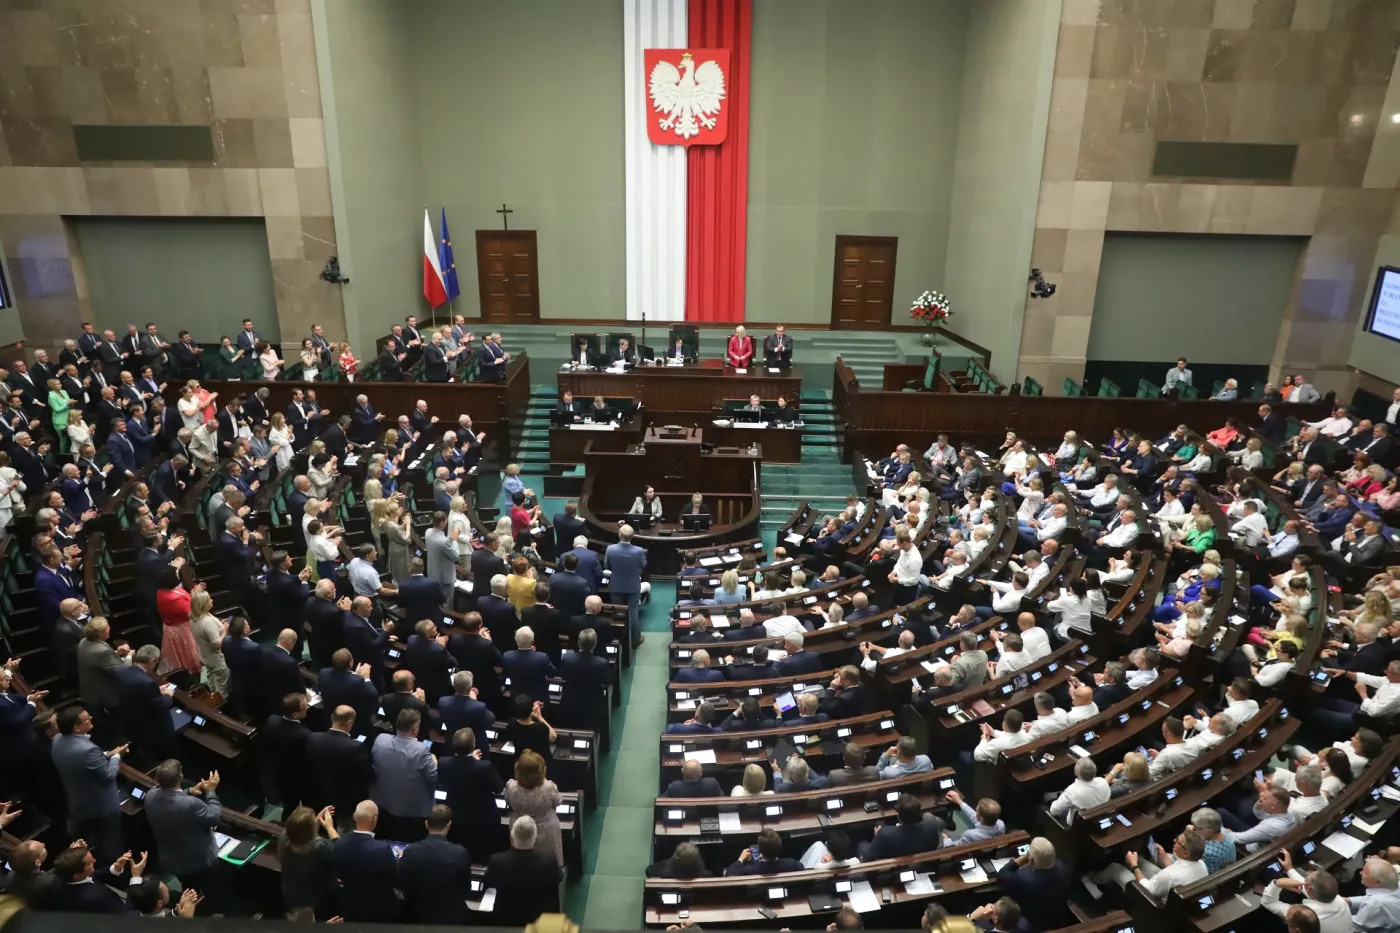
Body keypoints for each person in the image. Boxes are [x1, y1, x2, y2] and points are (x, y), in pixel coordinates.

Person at [143, 758, 223, 906]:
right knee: (212, 889)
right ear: (181, 776)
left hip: (172, 859)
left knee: (189, 889)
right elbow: (215, 817)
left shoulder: (150, 795)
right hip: (200, 861)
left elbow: (171, 799)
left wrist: (189, 791)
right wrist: (211, 791)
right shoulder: (191, 804)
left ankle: (192, 906)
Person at [51, 706, 126, 862]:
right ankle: (115, 867)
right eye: (87, 718)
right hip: (102, 806)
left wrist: (106, 755)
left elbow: (80, 761)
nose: (91, 718)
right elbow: (109, 774)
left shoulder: (57, 740)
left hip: (78, 803)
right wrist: (116, 756)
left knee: (94, 838)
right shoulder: (88, 750)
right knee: (110, 843)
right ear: (77, 728)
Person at [370, 709, 438, 843]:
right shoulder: (421, 750)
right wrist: (434, 760)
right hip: (412, 815)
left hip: (382, 807)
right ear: (415, 728)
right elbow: (435, 779)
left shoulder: (380, 740)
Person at [1088, 829, 1208, 901]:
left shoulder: (1168, 875)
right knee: (1140, 859)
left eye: (1178, 842)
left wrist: (1134, 866)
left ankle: (1091, 879)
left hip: (1149, 899)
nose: (1174, 841)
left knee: (1115, 868)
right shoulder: (1201, 864)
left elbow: (1147, 889)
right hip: (1165, 888)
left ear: (1186, 853)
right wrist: (1165, 858)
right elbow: (1177, 871)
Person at [484, 816, 561, 926]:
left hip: (505, 921)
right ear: (535, 837)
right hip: (537, 921)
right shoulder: (548, 862)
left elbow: (488, 882)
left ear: (512, 836)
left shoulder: (497, 861)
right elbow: (557, 879)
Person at [331, 801, 399, 922]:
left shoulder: (339, 845)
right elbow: (395, 879)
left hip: (349, 909)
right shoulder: (382, 849)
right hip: (378, 913)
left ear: (354, 817)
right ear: (375, 819)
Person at [305, 705, 373, 821]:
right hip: (345, 800)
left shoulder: (313, 738)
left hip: (318, 794)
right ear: (349, 722)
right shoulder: (355, 747)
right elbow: (366, 774)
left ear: (332, 717)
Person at [996, 837, 1072, 929]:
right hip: (1058, 921)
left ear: (1031, 860)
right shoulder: (1064, 868)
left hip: (1032, 926)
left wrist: (1023, 858)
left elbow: (1002, 874)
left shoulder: (1021, 877)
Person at [505, 750, 564, 868]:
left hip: (520, 826)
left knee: (522, 861)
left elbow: (508, 801)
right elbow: (558, 801)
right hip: (546, 828)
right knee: (548, 860)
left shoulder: (511, 787)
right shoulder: (549, 787)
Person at [278, 805, 338, 918]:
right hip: (317, 898)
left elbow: (299, 834)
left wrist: (315, 823)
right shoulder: (320, 848)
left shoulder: (284, 839)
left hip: (292, 893)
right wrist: (330, 827)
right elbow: (341, 849)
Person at [606, 524, 647, 648]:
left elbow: (607, 566)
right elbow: (643, 565)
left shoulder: (610, 549)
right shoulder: (638, 551)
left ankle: (619, 640)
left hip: (616, 585)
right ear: (632, 536)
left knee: (618, 613)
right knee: (633, 613)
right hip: (633, 586)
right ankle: (635, 639)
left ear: (619, 535)